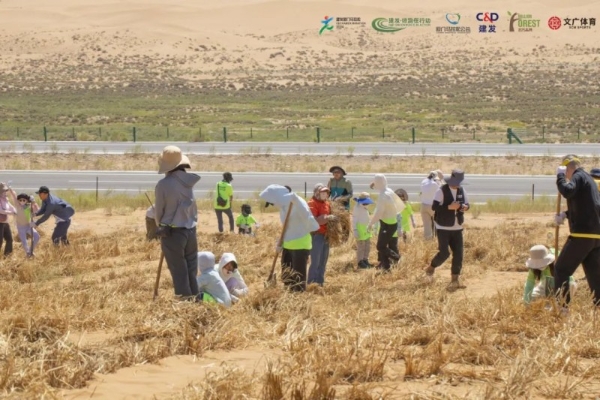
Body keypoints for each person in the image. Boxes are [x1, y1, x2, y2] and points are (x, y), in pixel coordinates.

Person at [553, 154, 600, 311]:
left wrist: (559, 177)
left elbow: (567, 191)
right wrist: (565, 215)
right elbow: (588, 207)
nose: (566, 176)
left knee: (561, 269)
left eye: (565, 172)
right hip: (596, 236)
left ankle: (562, 308)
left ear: (567, 168)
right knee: (595, 275)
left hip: (582, 235)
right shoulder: (590, 181)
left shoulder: (578, 176)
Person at [155, 145, 201, 299]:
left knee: (178, 268)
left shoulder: (163, 184)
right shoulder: (189, 182)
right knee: (191, 266)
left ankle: (184, 299)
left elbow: (159, 211)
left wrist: (160, 226)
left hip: (173, 232)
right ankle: (194, 296)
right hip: (191, 230)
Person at [260, 184, 319, 292]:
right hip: (288, 244)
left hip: (300, 244)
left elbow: (308, 218)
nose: (273, 204)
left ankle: (298, 300)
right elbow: (287, 227)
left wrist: (296, 201)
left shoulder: (296, 202)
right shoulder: (283, 206)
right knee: (287, 275)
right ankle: (288, 296)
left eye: (272, 202)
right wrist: (280, 242)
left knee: (298, 276)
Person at [424, 169, 470, 292]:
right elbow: (435, 207)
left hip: (457, 227)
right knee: (444, 253)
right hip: (443, 227)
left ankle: (455, 279)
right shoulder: (441, 191)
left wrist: (464, 207)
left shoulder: (462, 190)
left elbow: (467, 205)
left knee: (459, 254)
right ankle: (431, 267)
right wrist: (449, 207)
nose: (456, 184)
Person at [368, 174, 405, 272]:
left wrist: (371, 223)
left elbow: (379, 213)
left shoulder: (382, 196)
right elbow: (399, 206)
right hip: (392, 222)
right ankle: (386, 266)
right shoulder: (390, 191)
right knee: (387, 244)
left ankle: (396, 258)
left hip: (387, 224)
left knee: (380, 246)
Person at [307, 184, 336, 286]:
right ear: (317, 193)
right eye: (322, 192)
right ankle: (311, 282)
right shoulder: (312, 203)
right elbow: (313, 221)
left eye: (326, 192)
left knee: (323, 260)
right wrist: (327, 218)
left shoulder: (327, 203)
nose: (325, 194)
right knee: (316, 260)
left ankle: (320, 282)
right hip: (317, 235)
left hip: (326, 234)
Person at [9, 190, 40, 257]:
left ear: (26, 200)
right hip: (20, 227)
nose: (22, 201)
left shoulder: (29, 206)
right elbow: (14, 196)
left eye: (24, 200)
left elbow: (37, 210)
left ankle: (31, 250)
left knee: (37, 237)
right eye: (20, 200)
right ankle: (28, 253)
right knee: (24, 241)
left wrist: (33, 202)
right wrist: (10, 189)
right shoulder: (17, 205)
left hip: (28, 225)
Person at [352, 192, 375, 269]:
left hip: (366, 229)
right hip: (360, 229)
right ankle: (360, 261)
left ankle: (365, 260)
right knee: (361, 246)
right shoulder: (357, 208)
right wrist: (355, 230)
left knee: (367, 246)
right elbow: (354, 219)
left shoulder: (365, 208)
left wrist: (370, 226)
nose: (366, 204)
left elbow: (367, 218)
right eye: (364, 203)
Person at [420, 170, 443, 241]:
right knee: (438, 224)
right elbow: (442, 189)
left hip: (423, 205)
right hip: (433, 206)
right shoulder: (435, 184)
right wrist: (440, 180)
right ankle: (438, 239)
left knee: (427, 226)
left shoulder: (423, 182)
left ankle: (428, 241)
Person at [0, 183, 16, 257]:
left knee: (9, 239)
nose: (5, 192)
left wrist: (14, 210)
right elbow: (1, 211)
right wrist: (11, 213)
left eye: (5, 191)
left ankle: (7, 256)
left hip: (5, 222)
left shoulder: (5, 199)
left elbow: (10, 206)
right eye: (3, 191)